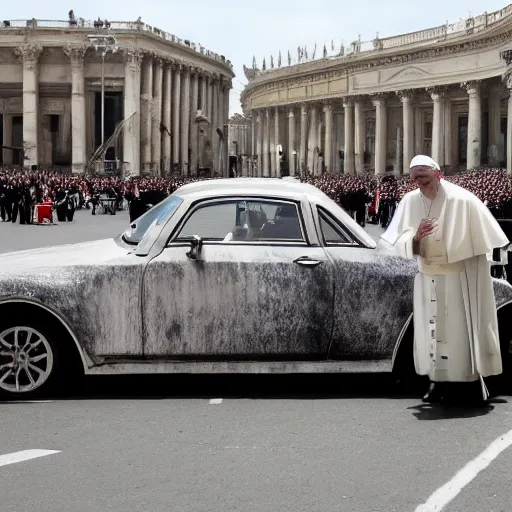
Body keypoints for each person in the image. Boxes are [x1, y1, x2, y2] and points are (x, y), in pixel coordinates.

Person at [382, 155, 509, 405]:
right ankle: (437, 381)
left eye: (423, 177)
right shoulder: (409, 201)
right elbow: (400, 239)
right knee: (433, 334)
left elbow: (478, 244)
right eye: (414, 177)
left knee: (460, 333)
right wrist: (415, 237)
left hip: (458, 278)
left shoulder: (462, 200)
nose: (419, 182)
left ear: (438, 174)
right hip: (429, 276)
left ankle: (469, 384)